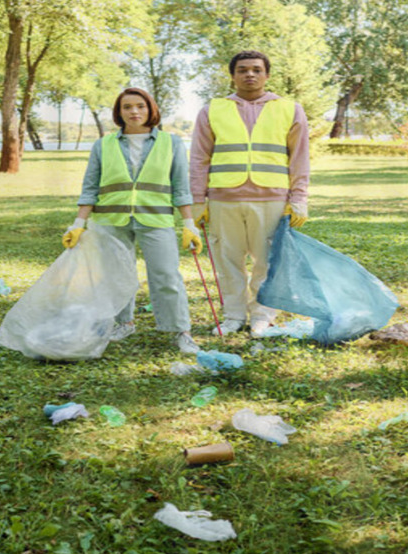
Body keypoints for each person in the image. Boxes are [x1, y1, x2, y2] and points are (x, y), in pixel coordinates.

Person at [62, 87, 203, 355]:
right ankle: (122, 323)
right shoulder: (103, 145)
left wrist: (189, 225)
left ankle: (180, 330)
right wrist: (78, 223)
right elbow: (90, 187)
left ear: (151, 109)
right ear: (119, 112)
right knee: (115, 275)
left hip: (155, 218)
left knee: (166, 275)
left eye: (140, 106)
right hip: (111, 219)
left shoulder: (170, 143)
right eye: (127, 107)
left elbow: (181, 187)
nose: (134, 112)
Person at [189, 51, 310, 337]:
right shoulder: (212, 109)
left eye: (256, 70)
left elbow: (300, 158)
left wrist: (299, 198)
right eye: (242, 70)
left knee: (267, 262)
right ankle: (233, 315)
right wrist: (196, 200)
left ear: (267, 75)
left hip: (271, 197)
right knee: (227, 261)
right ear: (233, 76)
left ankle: (262, 315)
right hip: (222, 198)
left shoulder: (290, 109)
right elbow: (198, 158)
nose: (250, 75)